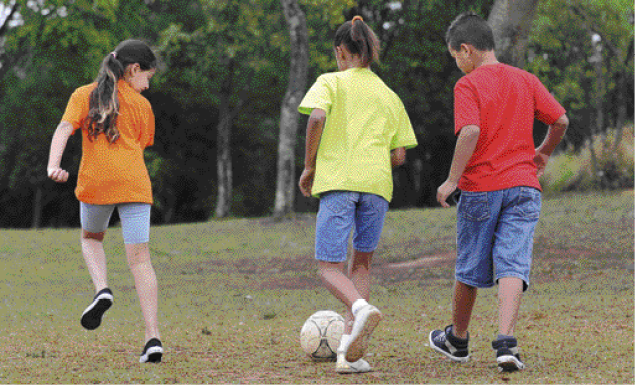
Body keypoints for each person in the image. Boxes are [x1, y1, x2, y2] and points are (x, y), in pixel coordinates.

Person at [428, 12, 569, 372]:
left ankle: (458, 339)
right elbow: (560, 120)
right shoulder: (525, 79)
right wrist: (544, 152)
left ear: (467, 49)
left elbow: (470, 131)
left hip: (481, 189)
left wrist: (452, 179)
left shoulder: (469, 85)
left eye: (456, 57)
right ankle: (506, 341)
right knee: (513, 261)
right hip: (524, 186)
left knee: (470, 265)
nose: (458, 65)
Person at [298, 15, 418, 374]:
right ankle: (350, 351)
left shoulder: (330, 82)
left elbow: (316, 117)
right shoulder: (389, 94)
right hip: (377, 186)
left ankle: (358, 307)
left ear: (341, 52)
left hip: (338, 183)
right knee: (361, 263)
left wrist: (309, 167)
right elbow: (399, 155)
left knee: (328, 266)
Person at [47, 39, 163, 363]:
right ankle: (152, 337)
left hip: (96, 183)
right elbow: (141, 145)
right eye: (147, 77)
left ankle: (102, 289)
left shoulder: (84, 94)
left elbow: (64, 128)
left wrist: (53, 165)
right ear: (133, 70)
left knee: (91, 238)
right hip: (135, 185)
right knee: (140, 260)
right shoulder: (143, 106)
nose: (148, 84)